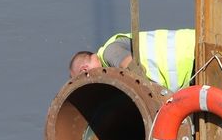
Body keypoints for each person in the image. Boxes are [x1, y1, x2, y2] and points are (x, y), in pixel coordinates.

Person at [68, 29, 196, 93]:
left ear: (85, 70)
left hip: (193, 53)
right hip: (191, 61)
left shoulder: (109, 53)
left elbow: (134, 71)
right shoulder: (109, 61)